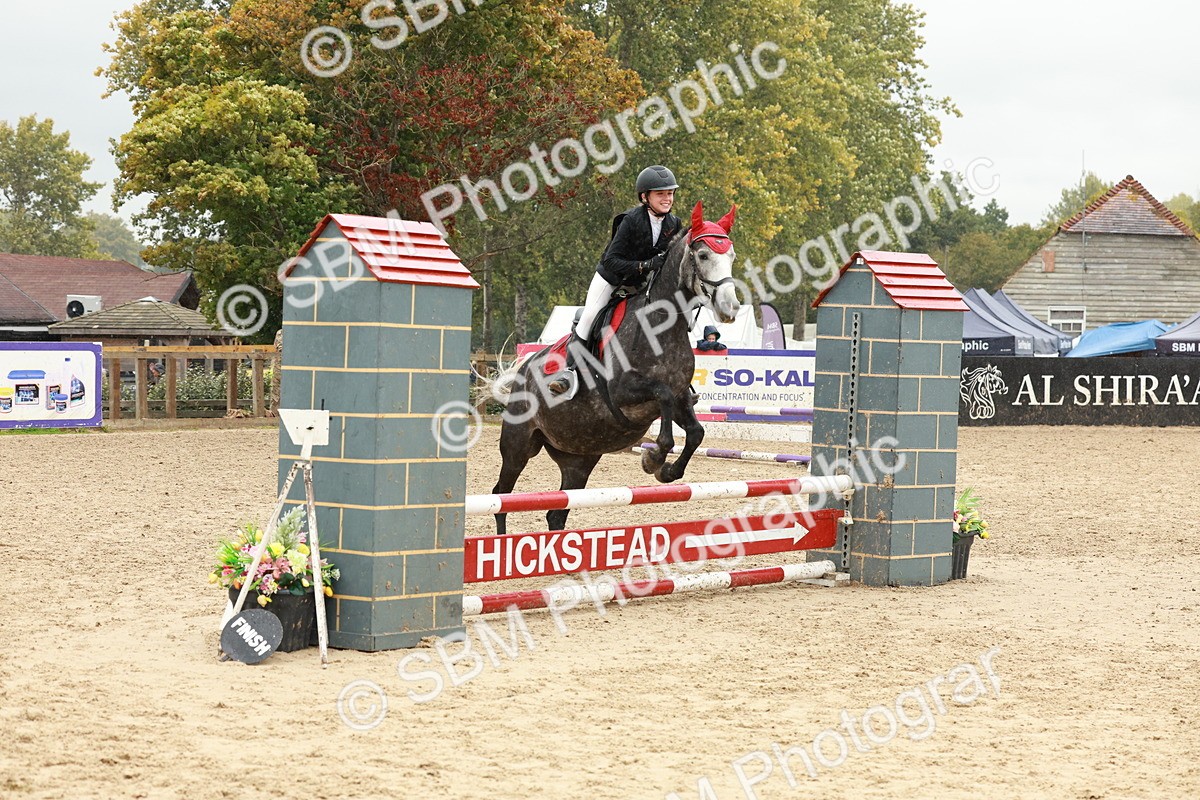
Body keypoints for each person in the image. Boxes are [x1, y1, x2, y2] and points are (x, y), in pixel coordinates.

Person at [548, 165, 682, 394]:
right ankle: (568, 372)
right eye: (661, 193)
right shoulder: (630, 220)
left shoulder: (674, 224)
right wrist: (645, 265)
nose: (667, 198)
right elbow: (612, 260)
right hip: (611, 279)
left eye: (670, 193)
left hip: (641, 285)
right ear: (645, 196)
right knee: (590, 316)